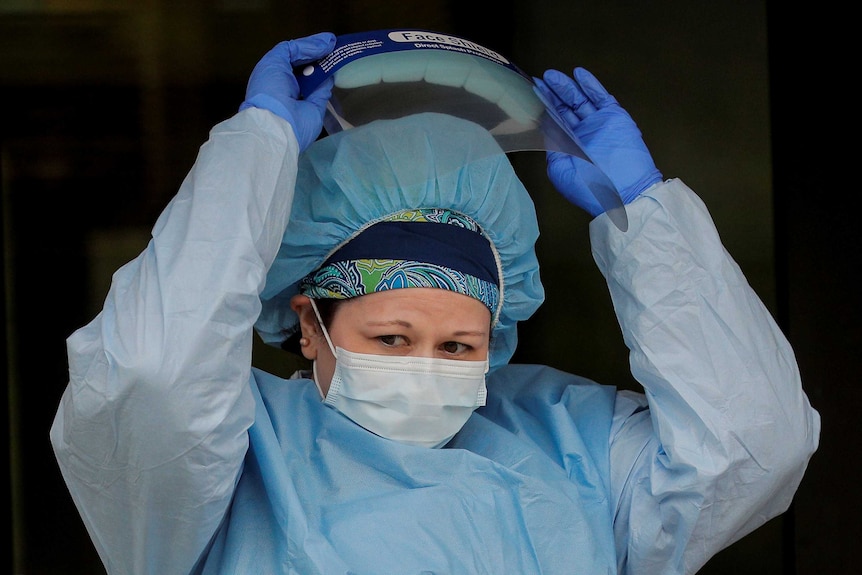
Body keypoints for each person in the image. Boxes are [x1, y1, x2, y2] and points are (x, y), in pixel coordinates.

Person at [50, 31, 820, 575]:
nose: (426, 368)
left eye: (459, 347)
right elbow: (149, 374)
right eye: (390, 337)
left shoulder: (565, 443)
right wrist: (253, 151)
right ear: (308, 320)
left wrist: (645, 219)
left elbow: (753, 442)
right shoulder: (220, 465)